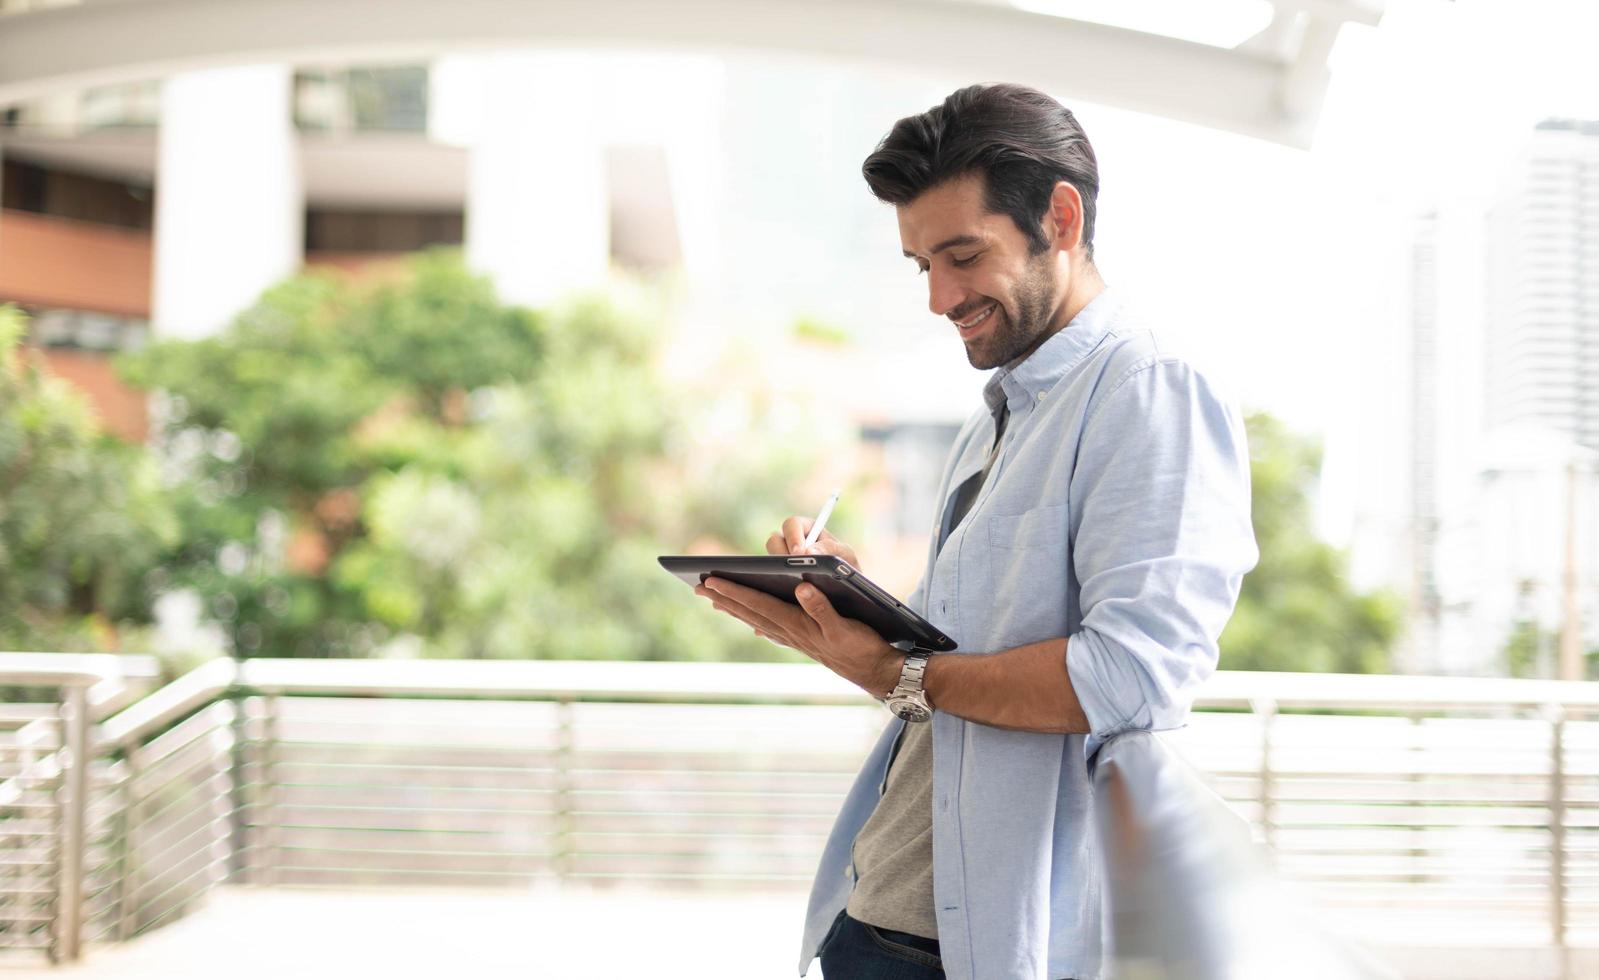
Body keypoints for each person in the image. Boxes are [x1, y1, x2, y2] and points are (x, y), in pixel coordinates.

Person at [694, 83, 1259, 980]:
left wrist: (896, 670)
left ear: (1060, 219)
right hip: (880, 908)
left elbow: (1134, 674)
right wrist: (855, 605)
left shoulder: (1148, 390)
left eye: (962, 255)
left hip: (972, 945)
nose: (939, 297)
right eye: (922, 265)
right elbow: (959, 665)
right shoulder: (1000, 412)